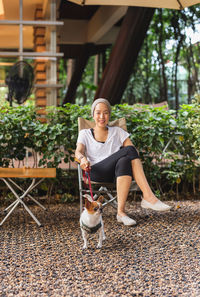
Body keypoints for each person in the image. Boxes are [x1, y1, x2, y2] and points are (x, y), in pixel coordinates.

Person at [75, 98, 171, 226]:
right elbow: (78, 151)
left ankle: (121, 213)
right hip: (94, 171)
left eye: (105, 113)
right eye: (98, 113)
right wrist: (82, 159)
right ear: (93, 115)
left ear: (109, 114)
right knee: (129, 150)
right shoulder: (85, 133)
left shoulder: (118, 132)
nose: (102, 116)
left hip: (114, 173)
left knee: (125, 160)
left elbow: (132, 153)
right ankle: (148, 197)